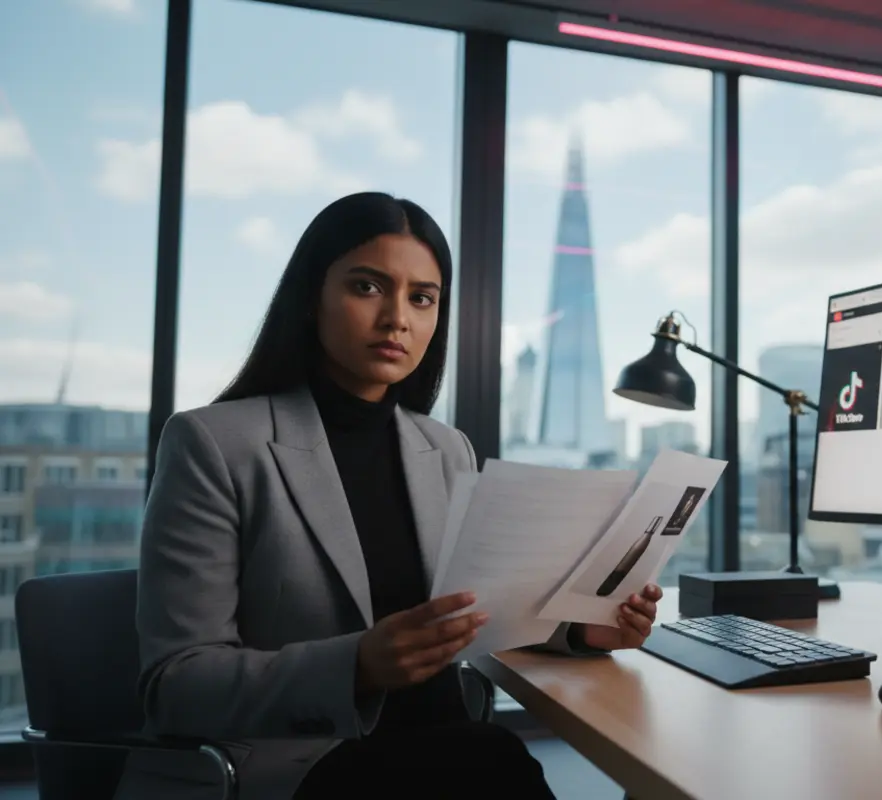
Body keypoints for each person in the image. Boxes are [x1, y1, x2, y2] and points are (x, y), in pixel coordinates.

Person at [115, 192, 662, 800]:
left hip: (446, 750)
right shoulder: (213, 444)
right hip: (291, 767)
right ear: (311, 297)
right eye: (368, 287)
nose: (397, 318)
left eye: (422, 298)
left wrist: (583, 633)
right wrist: (357, 666)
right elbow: (176, 686)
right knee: (491, 762)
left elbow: (480, 615)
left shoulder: (446, 449)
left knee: (490, 761)